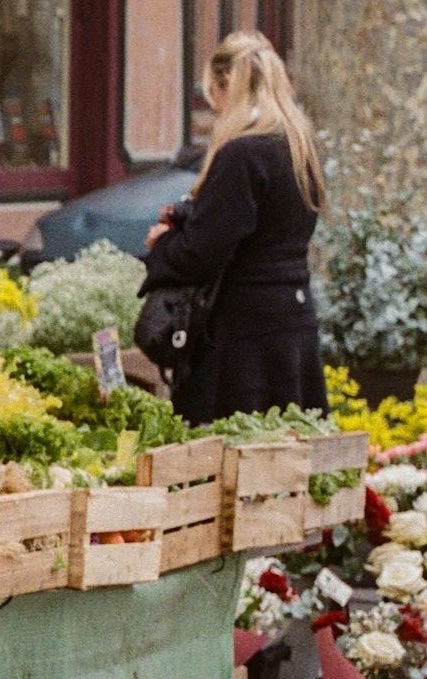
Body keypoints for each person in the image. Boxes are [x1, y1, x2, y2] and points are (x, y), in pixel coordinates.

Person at [141, 31, 326, 423]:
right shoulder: (296, 147)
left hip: (244, 334)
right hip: (292, 322)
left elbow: (203, 252)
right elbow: (265, 227)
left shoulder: (242, 152)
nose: (215, 108)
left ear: (226, 86)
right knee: (287, 461)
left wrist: (164, 245)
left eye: (214, 95)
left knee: (229, 463)